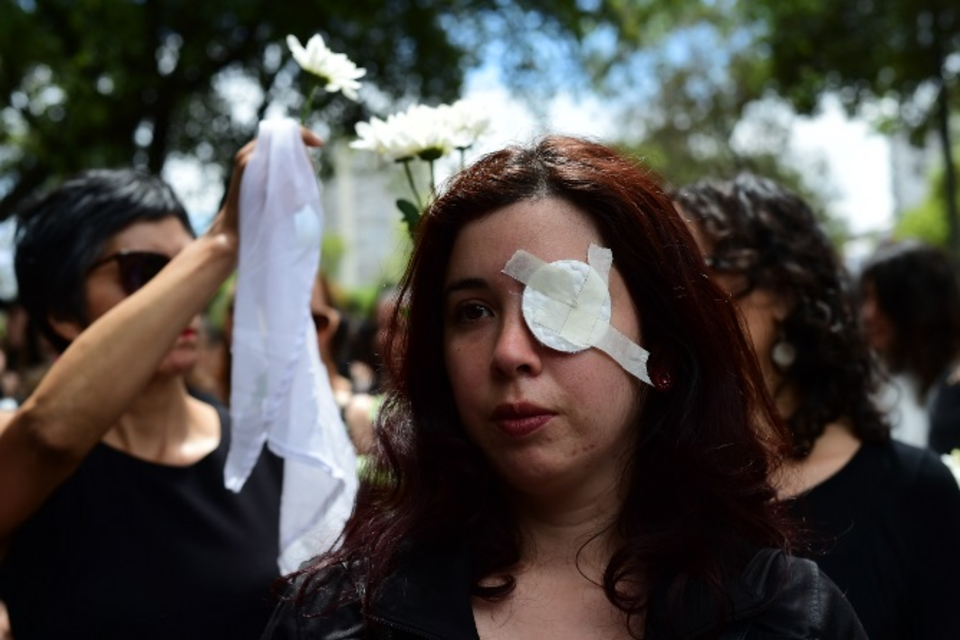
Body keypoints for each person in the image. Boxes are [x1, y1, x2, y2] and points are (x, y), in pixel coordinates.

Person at [262, 136, 866, 639]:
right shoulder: (340, 619)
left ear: (662, 353)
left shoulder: (787, 619)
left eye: (565, 301)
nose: (509, 353)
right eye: (472, 312)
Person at [0, 127, 322, 639]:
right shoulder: (24, 460)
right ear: (61, 312)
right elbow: (48, 437)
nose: (186, 296)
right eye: (146, 272)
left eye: (188, 267)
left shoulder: (260, 452)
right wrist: (222, 241)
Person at [675, 173, 960, 640]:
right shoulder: (654, 490)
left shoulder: (915, 491)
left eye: (697, 270)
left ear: (783, 290)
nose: (674, 297)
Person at [859, 238, 960, 454]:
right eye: (866, 298)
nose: (868, 314)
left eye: (883, 301)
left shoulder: (952, 385)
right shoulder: (869, 383)